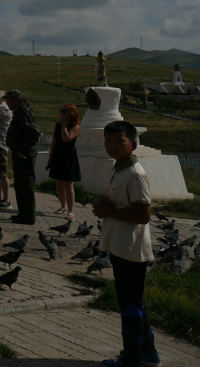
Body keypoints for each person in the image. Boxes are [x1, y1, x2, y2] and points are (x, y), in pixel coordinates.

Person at [92, 121, 159, 367]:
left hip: (131, 249)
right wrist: (106, 206)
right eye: (108, 141)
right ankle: (148, 354)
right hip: (119, 245)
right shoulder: (119, 168)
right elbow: (121, 203)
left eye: (119, 141)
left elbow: (143, 215)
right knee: (134, 303)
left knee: (130, 306)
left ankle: (131, 358)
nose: (113, 147)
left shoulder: (135, 174)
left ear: (133, 143)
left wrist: (108, 210)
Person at [3, 89, 40, 225]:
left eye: (9, 100)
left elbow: (34, 133)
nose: (7, 103)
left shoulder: (24, 113)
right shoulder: (18, 112)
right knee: (19, 185)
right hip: (19, 153)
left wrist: (23, 150)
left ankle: (28, 216)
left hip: (24, 155)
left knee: (25, 185)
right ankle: (23, 213)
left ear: (17, 101)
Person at [47, 103, 82, 220]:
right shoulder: (58, 125)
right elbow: (54, 142)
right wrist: (50, 158)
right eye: (61, 111)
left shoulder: (75, 126)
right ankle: (63, 206)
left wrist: (64, 126)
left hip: (69, 157)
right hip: (58, 155)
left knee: (68, 184)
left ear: (70, 113)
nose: (61, 113)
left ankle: (71, 211)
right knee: (59, 182)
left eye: (64, 111)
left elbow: (66, 138)